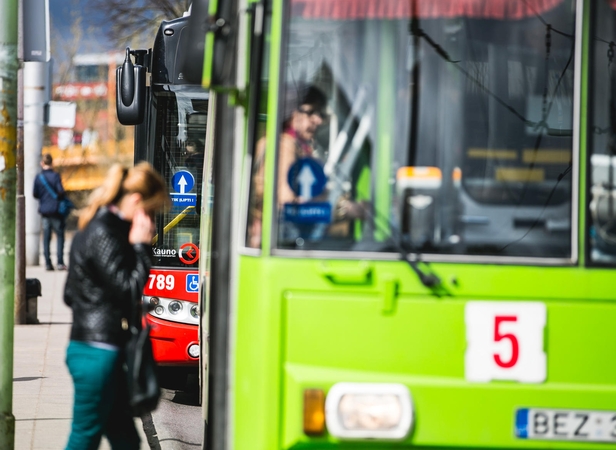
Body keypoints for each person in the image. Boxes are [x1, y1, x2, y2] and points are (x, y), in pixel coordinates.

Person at [63, 162, 170, 450]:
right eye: (152, 210)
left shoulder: (102, 227)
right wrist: (141, 247)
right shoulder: (105, 232)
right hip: (97, 353)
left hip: (100, 348)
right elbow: (127, 290)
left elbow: (70, 294)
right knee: (84, 437)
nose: (153, 219)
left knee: (125, 439)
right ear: (137, 202)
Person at [247, 83, 366, 247]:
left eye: (320, 114)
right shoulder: (283, 146)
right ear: (290, 113)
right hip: (284, 241)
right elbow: (289, 200)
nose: (318, 120)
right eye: (311, 112)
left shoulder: (293, 145)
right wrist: (344, 207)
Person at [33, 153, 68, 270]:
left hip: (44, 211)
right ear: (52, 163)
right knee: (60, 236)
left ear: (42, 163)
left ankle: (48, 263)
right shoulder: (56, 176)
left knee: (46, 237)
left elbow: (35, 194)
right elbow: (61, 191)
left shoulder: (38, 178)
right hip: (56, 211)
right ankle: (60, 262)